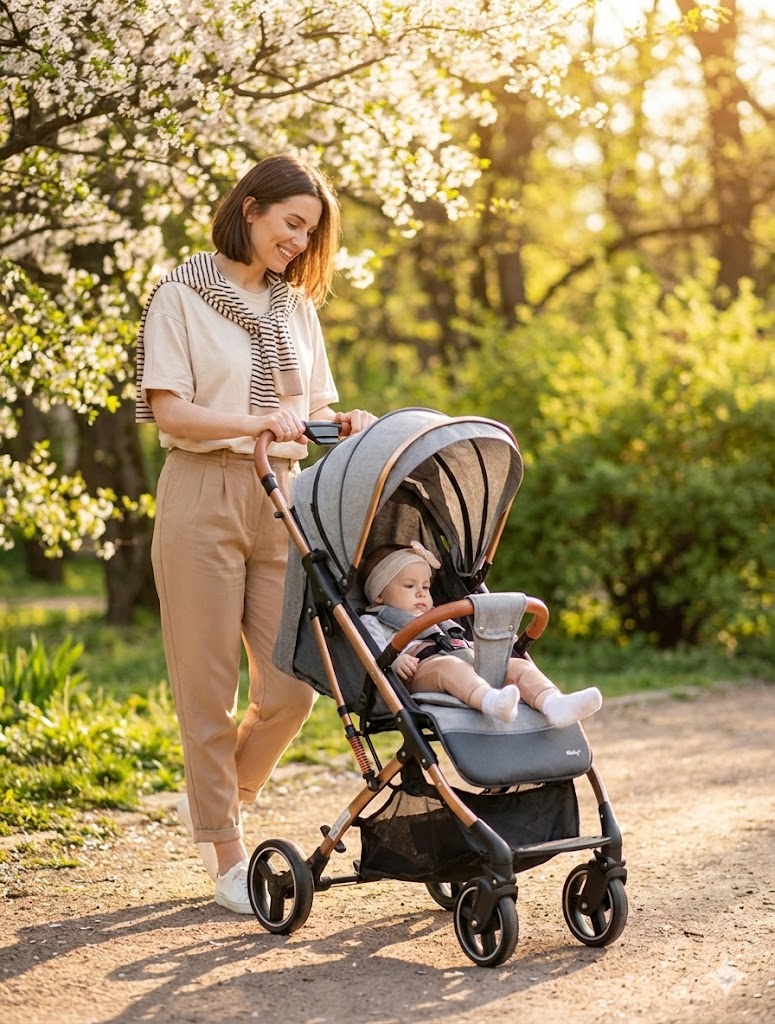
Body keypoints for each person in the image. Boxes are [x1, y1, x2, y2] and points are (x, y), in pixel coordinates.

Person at [135, 154, 375, 914]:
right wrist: (252, 425)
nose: (300, 244)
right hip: (201, 493)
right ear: (250, 210)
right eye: (291, 224)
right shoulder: (178, 295)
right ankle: (228, 858)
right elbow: (169, 413)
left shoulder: (293, 308)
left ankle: (216, 805)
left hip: (284, 498)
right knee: (208, 684)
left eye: (310, 232)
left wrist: (343, 423)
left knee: (294, 685)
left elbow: (313, 409)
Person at [359, 542, 602, 726]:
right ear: (379, 595)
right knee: (448, 666)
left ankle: (554, 703)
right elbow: (370, 651)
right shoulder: (373, 619)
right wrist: (394, 659)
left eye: (425, 587)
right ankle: (492, 702)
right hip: (419, 675)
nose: (421, 593)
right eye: (410, 586)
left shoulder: (436, 619)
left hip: (458, 658)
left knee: (515, 665)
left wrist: (489, 648)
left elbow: (458, 643)